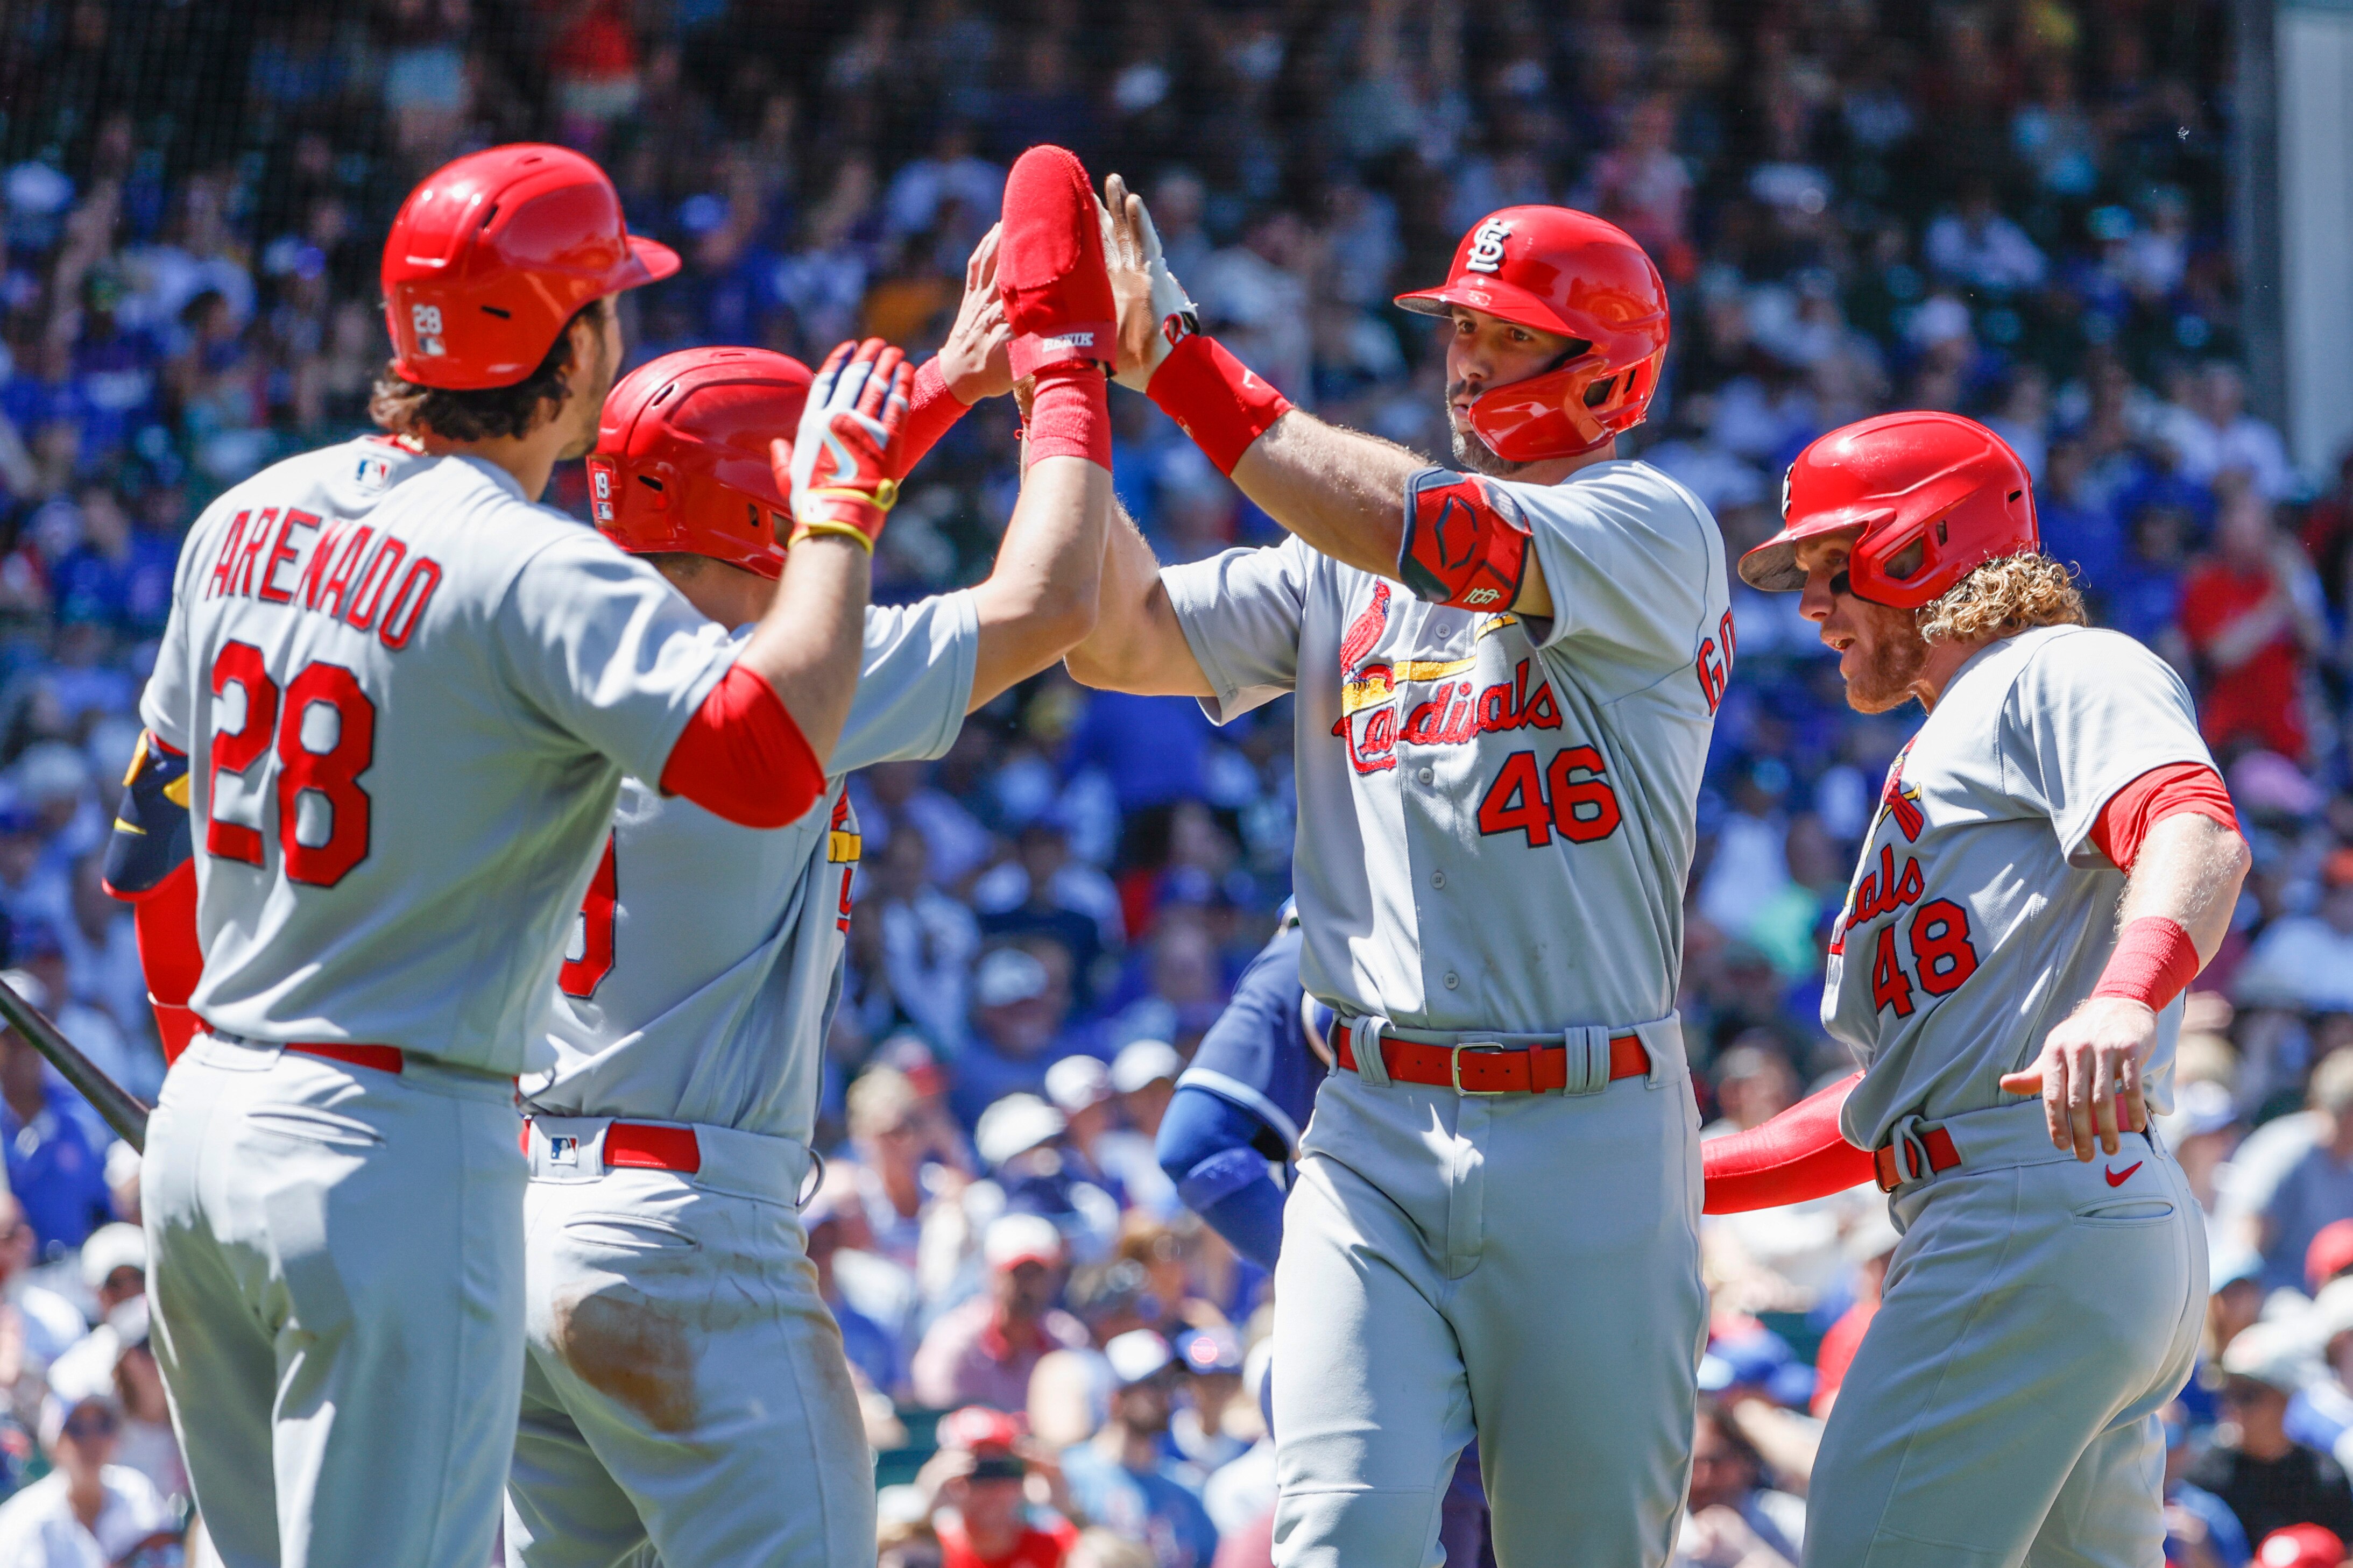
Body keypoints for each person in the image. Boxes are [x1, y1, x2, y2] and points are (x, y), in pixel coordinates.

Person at [101, 144, 888, 1568]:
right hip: (390, 1142)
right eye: (610, 305)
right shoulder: (528, 562)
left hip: (208, 1117)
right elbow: (766, 758)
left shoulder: (239, 515)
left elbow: (143, 840)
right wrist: (834, 514)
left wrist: (189, 1072)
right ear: (572, 343)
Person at [1073, 185, 1727, 1563]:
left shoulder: (1650, 524)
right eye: (1459, 327)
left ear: (1605, 371)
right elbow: (1114, 641)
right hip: (1365, 1118)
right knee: (1337, 1533)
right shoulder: (1338, 565)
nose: (1465, 359)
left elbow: (1450, 540)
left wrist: (1183, 363)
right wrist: (1066, 395)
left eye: (1507, 333)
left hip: (1590, 1125)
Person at [504, 145, 1117, 1568]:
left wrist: (943, 391)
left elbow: (758, 518)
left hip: (529, 1221)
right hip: (689, 1237)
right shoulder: (794, 682)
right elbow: (1056, 592)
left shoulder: (532, 646)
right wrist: (1062, 371)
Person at [1705, 410, 2253, 1566]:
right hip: (2051, 1206)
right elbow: (1889, 1106)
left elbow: (2193, 830)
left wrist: (2126, 993)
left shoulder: (2049, 665)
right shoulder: (1947, 739)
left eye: (1826, 563)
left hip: (2024, 1209)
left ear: (1919, 546)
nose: (1807, 603)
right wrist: (1679, 1173)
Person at [1057, 1330, 1220, 1568]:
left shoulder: (1189, 1489)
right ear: (1116, 1397)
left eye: (1172, 1383)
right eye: (1154, 1384)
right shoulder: (1069, 1474)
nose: (1166, 1396)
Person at [2187, 1321, 2353, 1542]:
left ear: (2285, 1398)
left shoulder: (2324, 1476)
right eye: (2228, 1392)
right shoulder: (2205, 1478)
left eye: (2248, 1395)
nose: (2232, 1406)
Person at [914, 1212, 1091, 1412]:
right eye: (1018, 1274)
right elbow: (936, 1412)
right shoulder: (955, 1341)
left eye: (1037, 1274)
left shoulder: (1067, 1339)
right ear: (991, 1274)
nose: (1028, 1286)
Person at [0, 1391, 175, 1566]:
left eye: (104, 1425)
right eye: (77, 1429)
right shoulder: (25, 1520)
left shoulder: (137, 1492)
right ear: (54, 1443)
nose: (93, 1440)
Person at [923, 1405, 1079, 1568]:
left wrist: (1061, 1495)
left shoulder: (1055, 1545)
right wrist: (926, 1511)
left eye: (1004, 1469)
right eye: (979, 1471)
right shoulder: (929, 1550)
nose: (994, 1487)